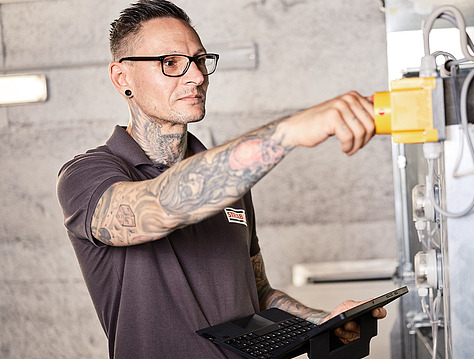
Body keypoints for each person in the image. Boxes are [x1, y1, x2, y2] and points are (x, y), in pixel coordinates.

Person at [56, 0, 384, 358]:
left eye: (199, 60)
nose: (196, 76)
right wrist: (287, 132)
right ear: (123, 78)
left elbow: (256, 295)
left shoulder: (230, 180)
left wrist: (322, 324)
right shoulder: (87, 175)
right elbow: (156, 209)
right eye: (170, 63)